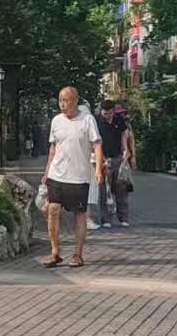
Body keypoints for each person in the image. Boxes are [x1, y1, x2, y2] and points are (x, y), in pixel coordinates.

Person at [41, 86, 103, 268]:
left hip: (78, 176)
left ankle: (78, 254)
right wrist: (47, 171)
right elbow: (53, 148)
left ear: (75, 101)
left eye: (66, 100)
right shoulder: (56, 121)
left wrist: (98, 170)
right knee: (52, 209)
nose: (62, 104)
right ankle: (55, 252)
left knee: (79, 214)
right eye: (60, 100)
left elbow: (97, 145)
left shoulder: (87, 120)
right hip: (57, 174)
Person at [94, 100, 134, 228]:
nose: (108, 116)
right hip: (104, 158)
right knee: (105, 191)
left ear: (113, 111)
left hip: (118, 157)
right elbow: (95, 143)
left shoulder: (119, 120)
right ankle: (106, 219)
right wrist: (102, 159)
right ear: (101, 111)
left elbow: (124, 135)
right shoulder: (97, 122)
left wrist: (125, 150)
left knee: (122, 189)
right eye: (105, 113)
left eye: (110, 113)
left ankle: (123, 217)